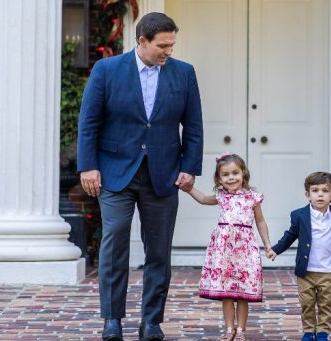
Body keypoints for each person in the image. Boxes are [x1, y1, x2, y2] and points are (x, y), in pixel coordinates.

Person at [76, 12, 203, 341]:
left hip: (163, 175)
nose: (168, 52)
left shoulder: (184, 73)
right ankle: (112, 319)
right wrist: (88, 166)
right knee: (114, 241)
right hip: (115, 173)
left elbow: (193, 127)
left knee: (159, 250)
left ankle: (151, 322)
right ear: (142, 41)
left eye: (172, 45)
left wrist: (189, 168)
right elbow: (89, 122)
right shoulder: (107, 70)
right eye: (163, 45)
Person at [265, 172, 331, 341]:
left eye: (325, 191)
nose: (320, 194)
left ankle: (322, 332)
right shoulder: (299, 215)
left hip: (328, 270)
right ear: (308, 194)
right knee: (307, 304)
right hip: (306, 271)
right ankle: (308, 331)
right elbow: (290, 235)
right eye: (315, 190)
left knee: (325, 303)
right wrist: (275, 249)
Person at [183, 153, 272, 341]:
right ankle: (229, 329)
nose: (231, 178)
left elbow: (261, 221)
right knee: (227, 294)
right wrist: (189, 189)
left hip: (245, 250)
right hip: (223, 250)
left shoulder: (252, 197)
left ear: (243, 174)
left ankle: (241, 330)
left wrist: (267, 245)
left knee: (243, 293)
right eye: (226, 175)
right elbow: (203, 199)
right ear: (219, 178)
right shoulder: (220, 196)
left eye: (235, 173)